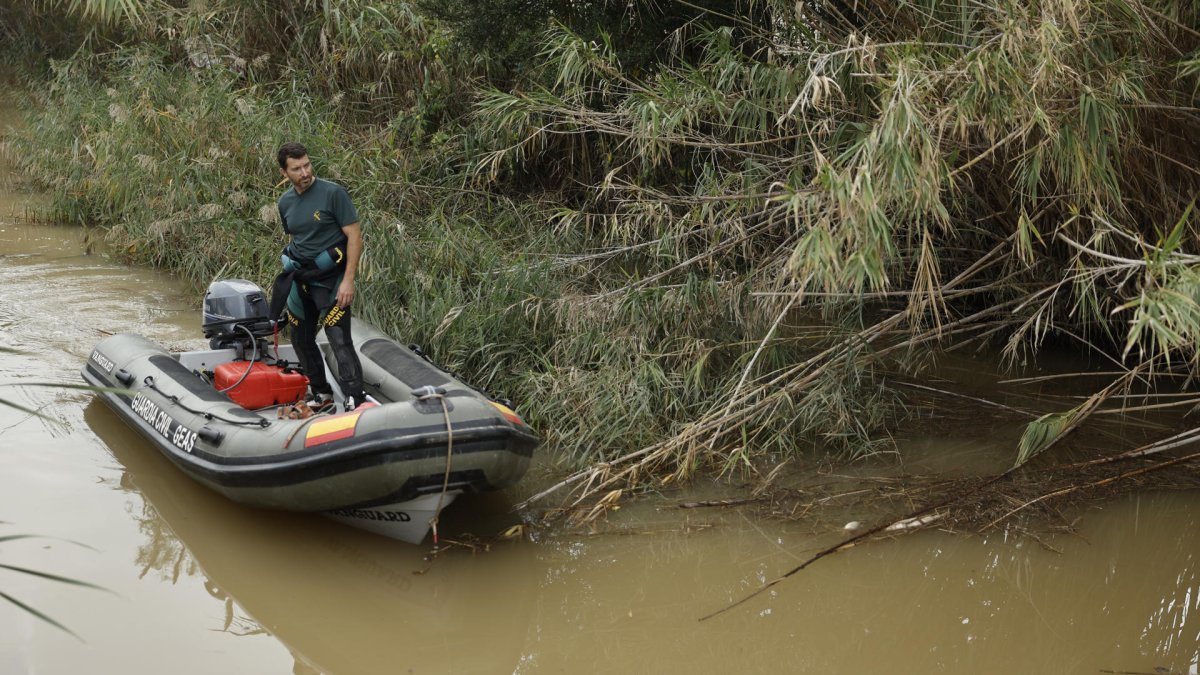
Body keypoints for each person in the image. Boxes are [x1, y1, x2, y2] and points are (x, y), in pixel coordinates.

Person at [273, 141, 367, 412]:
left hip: (332, 279)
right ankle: (321, 393)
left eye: (307, 165)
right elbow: (297, 235)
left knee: (338, 337)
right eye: (296, 168)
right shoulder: (285, 202)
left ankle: (355, 397)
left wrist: (349, 280)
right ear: (284, 173)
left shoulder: (333, 194)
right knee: (300, 339)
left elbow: (354, 236)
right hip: (300, 279)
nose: (304, 172)